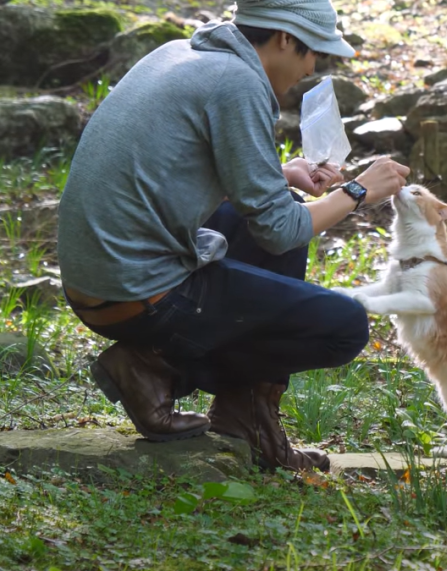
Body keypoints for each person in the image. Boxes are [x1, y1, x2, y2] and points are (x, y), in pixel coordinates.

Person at [56, 0, 409, 472]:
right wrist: (359, 190)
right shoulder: (239, 82)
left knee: (276, 213)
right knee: (343, 326)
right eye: (313, 54)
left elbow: (177, 165)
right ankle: (152, 366)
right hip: (135, 293)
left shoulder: (181, 52)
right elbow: (280, 230)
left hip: (96, 280)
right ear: (285, 38)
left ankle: (244, 414)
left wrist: (279, 172)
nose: (310, 68)